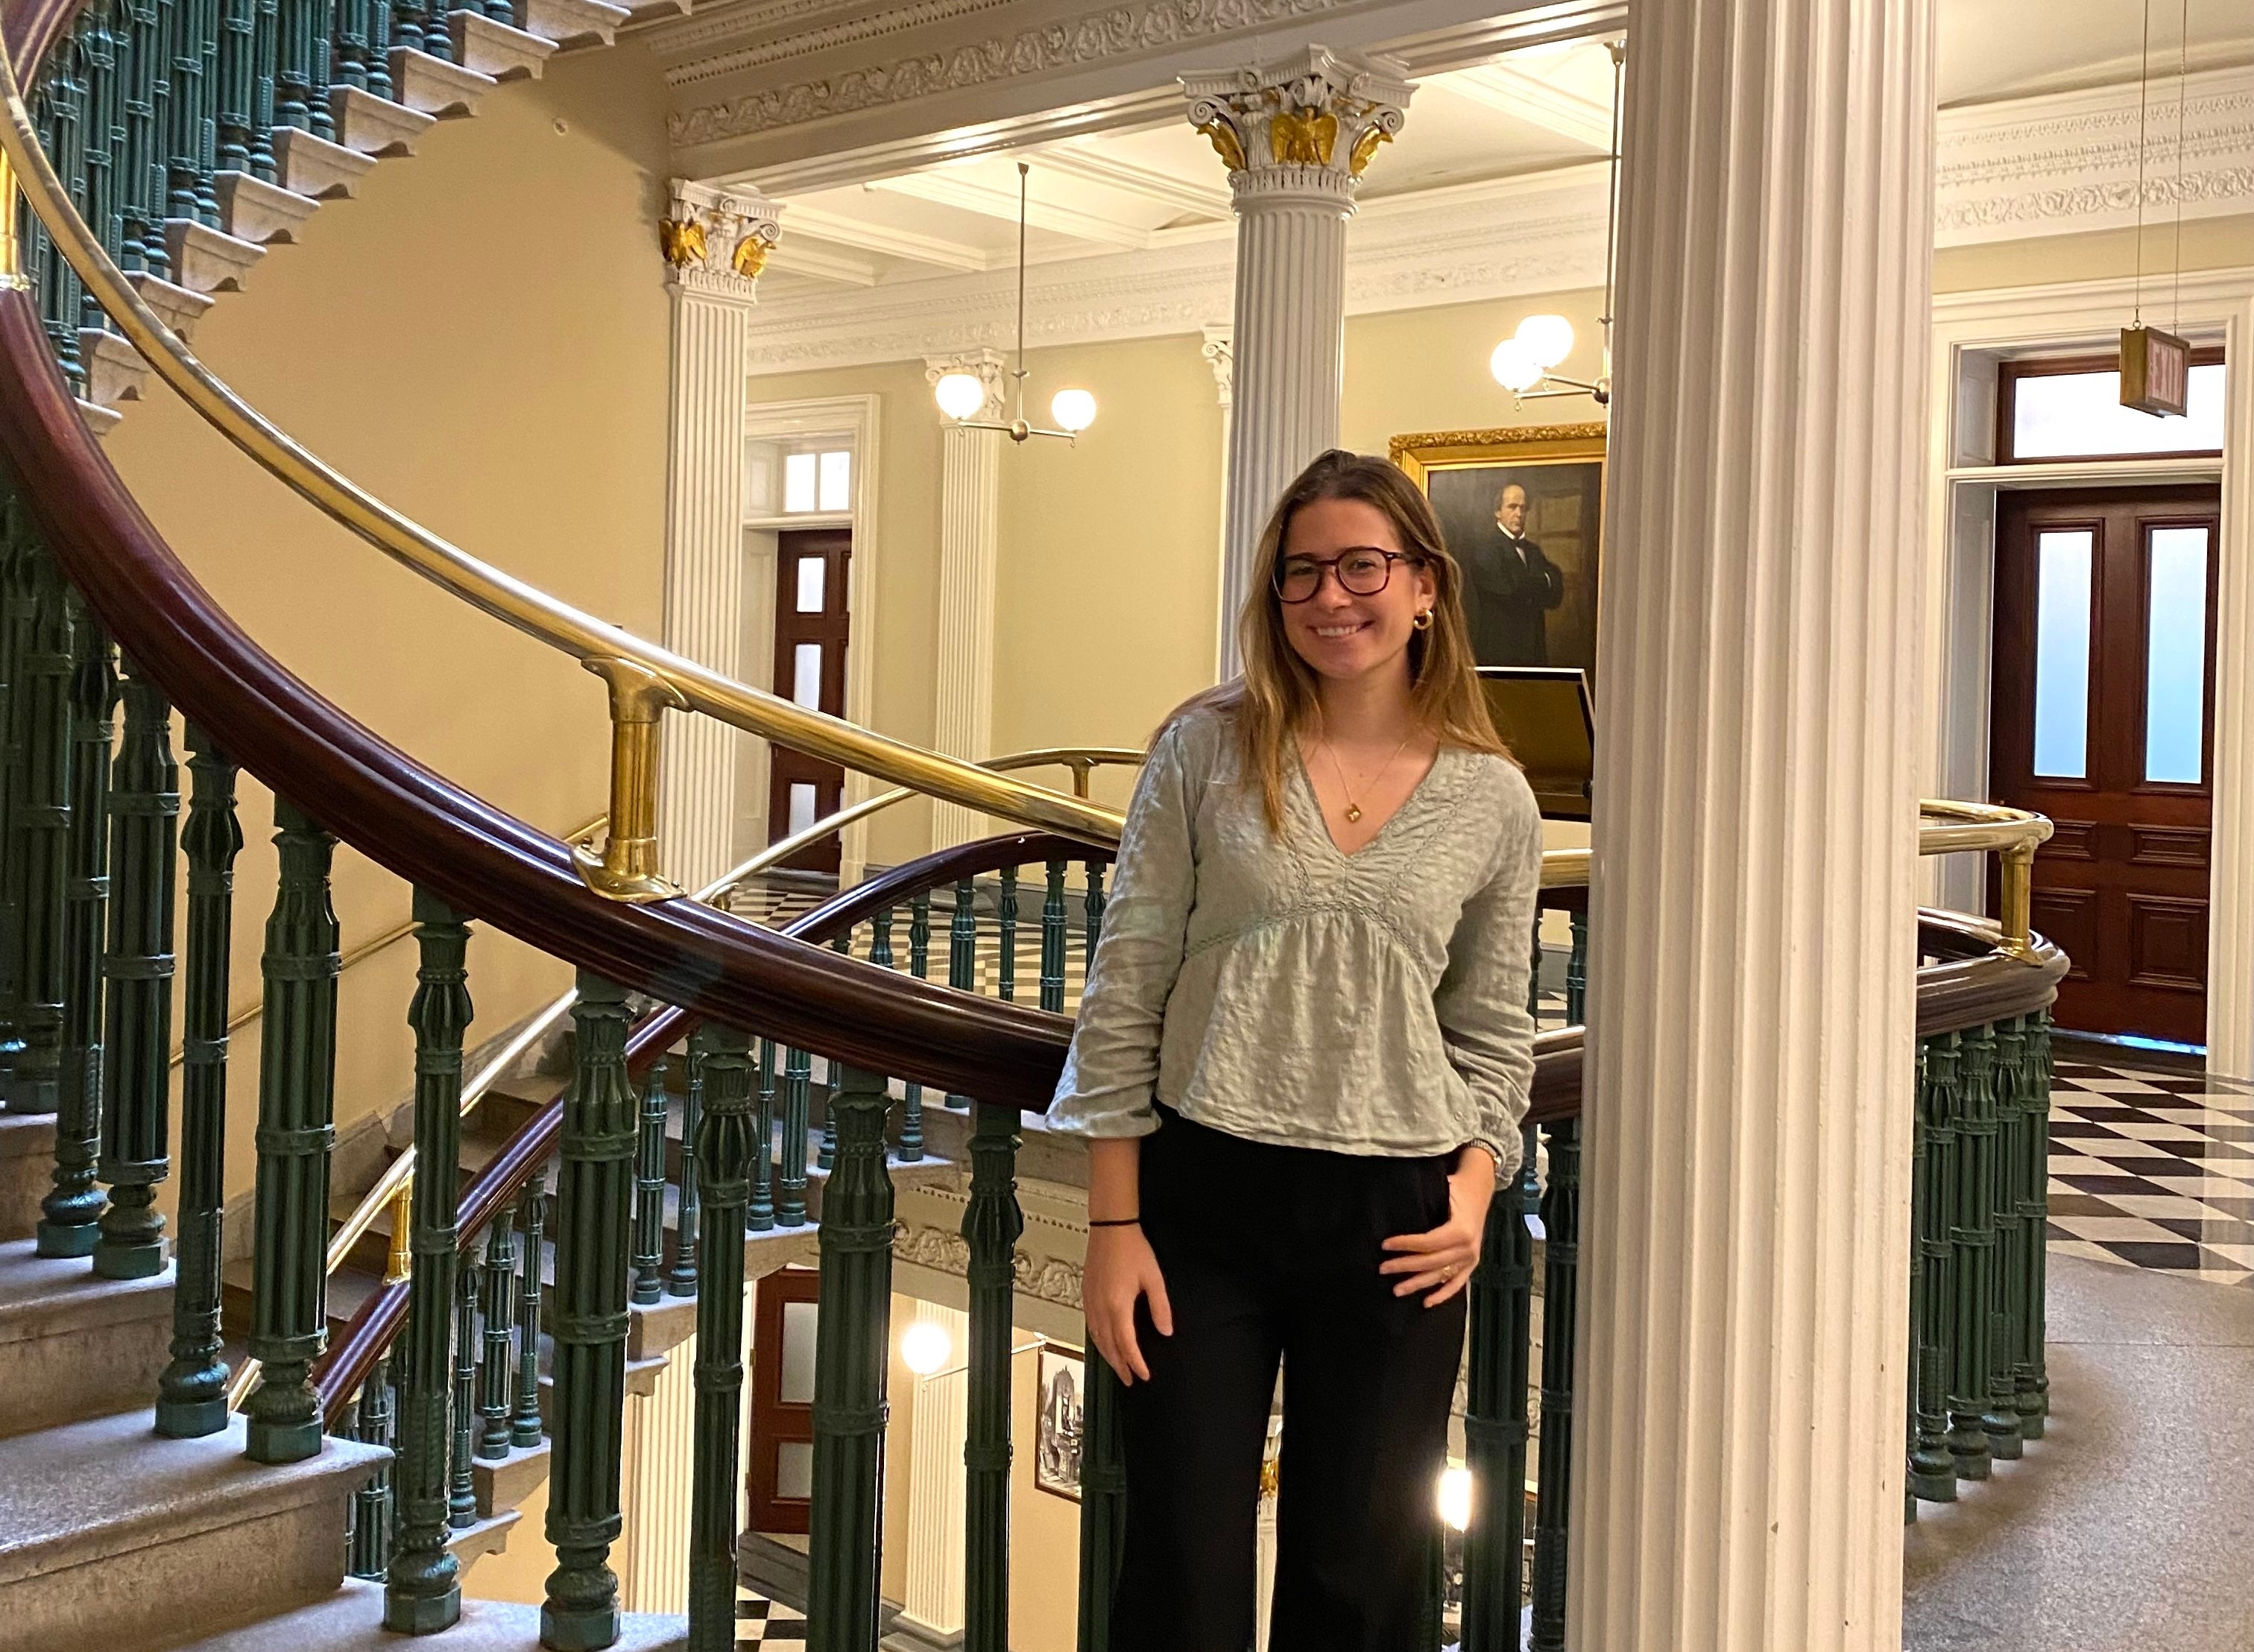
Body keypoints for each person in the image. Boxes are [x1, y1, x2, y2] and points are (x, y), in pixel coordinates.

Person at [1049, 449, 1544, 1651]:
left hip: (1398, 1217)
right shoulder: (1203, 752)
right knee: (1179, 1565)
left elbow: (1490, 1033)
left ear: (1424, 584)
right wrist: (1109, 1227)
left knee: (1360, 1576)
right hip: (1198, 1201)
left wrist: (1473, 1192)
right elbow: (1125, 987)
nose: (1332, 596)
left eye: (1361, 565)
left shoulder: (1491, 797)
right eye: (1300, 572)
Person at [1467, 481, 1565, 664]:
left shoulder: (1533, 551)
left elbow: (1555, 595)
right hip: (1499, 654)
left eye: (1523, 508)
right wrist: (1544, 582)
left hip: (1534, 654)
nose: (1519, 514)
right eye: (1512, 507)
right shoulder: (1486, 550)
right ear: (1497, 511)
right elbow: (1512, 591)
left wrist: (1532, 583)